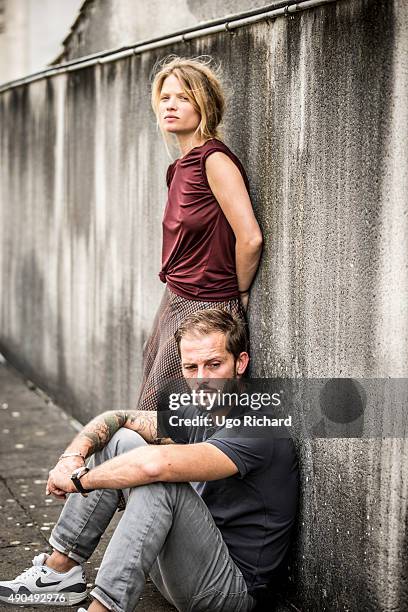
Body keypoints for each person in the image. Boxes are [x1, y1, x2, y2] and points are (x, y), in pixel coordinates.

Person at [0, 310, 298, 612]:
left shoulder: (260, 429)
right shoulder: (201, 410)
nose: (202, 379)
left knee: (159, 479)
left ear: (241, 363)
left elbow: (156, 465)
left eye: (214, 364)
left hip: (225, 593)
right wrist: (71, 458)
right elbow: (117, 418)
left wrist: (80, 480)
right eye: (191, 367)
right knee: (119, 440)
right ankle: (59, 571)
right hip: (177, 568)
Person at [138, 55, 263, 410]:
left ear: (204, 105)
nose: (171, 105)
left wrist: (237, 293)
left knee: (183, 416)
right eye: (165, 98)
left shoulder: (214, 160)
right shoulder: (177, 168)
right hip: (175, 297)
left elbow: (250, 237)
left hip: (207, 303)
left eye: (183, 97)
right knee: (155, 407)